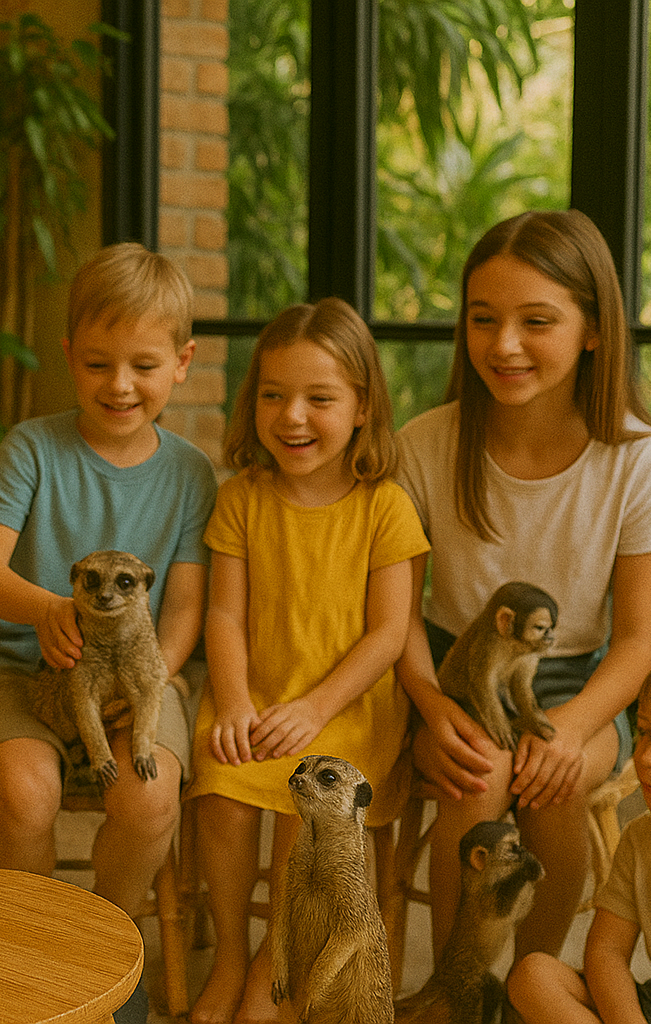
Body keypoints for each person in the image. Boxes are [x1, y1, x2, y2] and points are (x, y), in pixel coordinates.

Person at [397, 209, 651, 966]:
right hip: (448, 676)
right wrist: (431, 706)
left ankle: (531, 980)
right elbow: (394, 617)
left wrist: (568, 727)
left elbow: (635, 645)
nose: (504, 345)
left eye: (537, 321)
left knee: (548, 783)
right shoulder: (427, 444)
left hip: (581, 684)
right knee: (480, 776)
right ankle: (459, 991)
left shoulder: (636, 459)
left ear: (593, 329)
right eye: (483, 319)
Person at [0, 242, 218, 1024]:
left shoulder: (190, 474)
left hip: (142, 676)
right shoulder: (32, 447)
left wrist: (153, 679)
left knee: (149, 796)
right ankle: (28, 949)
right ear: (69, 356)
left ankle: (104, 949)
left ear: (181, 363)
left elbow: (186, 608)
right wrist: (43, 611)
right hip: (15, 668)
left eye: (143, 365)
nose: (120, 385)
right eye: (99, 364)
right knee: (26, 791)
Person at [183, 297, 429, 1024]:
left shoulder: (386, 508)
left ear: (361, 407)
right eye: (273, 395)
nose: (292, 416)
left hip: (344, 712)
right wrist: (232, 703)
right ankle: (233, 955)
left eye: (318, 398)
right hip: (254, 697)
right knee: (222, 797)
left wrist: (315, 708)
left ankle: (274, 967)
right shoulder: (241, 500)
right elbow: (224, 613)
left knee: (312, 819)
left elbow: (388, 635)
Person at [507, 640, 651, 1024]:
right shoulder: (642, 838)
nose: (646, 757)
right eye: (645, 732)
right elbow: (607, 951)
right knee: (533, 976)